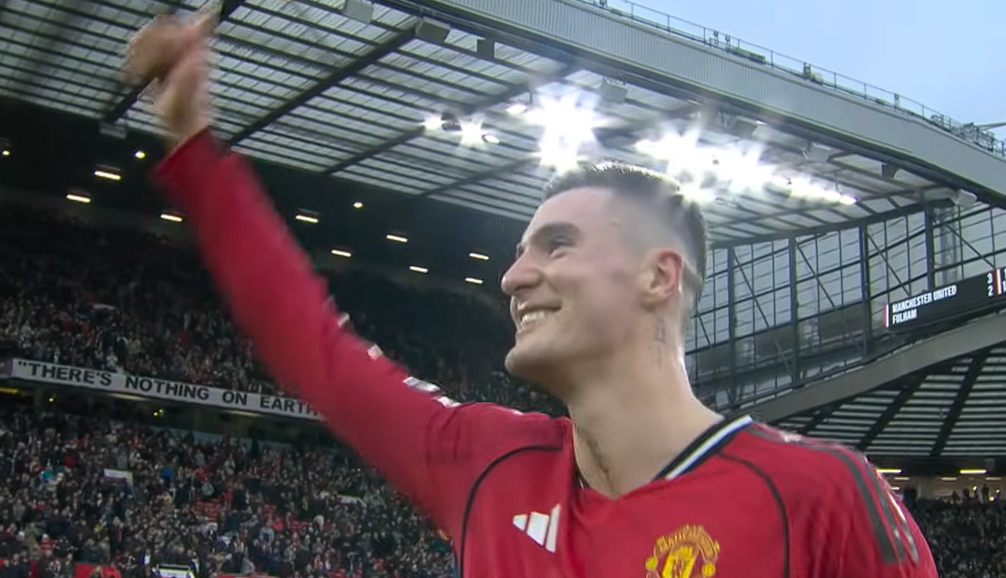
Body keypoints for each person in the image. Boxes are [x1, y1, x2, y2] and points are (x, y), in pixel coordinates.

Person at [125, 13, 937, 578]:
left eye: (557, 245)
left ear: (659, 277)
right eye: (518, 254)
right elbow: (316, 350)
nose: (513, 278)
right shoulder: (487, 465)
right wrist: (192, 139)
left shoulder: (821, 496)